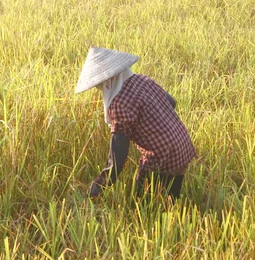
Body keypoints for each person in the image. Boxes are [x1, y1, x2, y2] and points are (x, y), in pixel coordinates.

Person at [75, 47, 196, 200]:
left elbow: (118, 155)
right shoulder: (143, 80)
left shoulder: (119, 104)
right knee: (171, 202)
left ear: (108, 81)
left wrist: (101, 184)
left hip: (161, 154)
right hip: (182, 144)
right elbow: (171, 102)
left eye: (100, 84)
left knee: (141, 203)